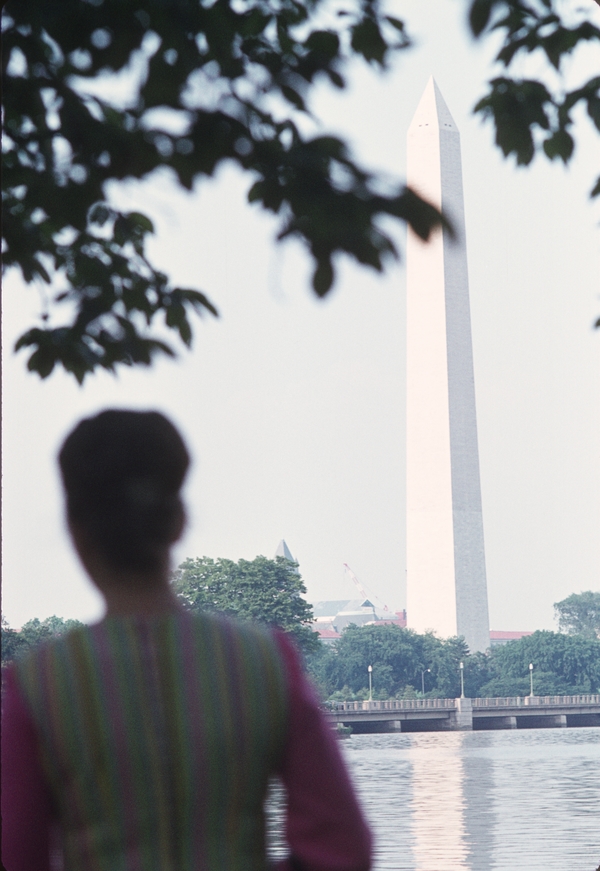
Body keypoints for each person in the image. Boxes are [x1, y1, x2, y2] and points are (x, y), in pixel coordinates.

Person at [1, 409, 372, 871]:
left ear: (75, 533)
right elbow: (343, 849)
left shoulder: (38, 685)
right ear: (178, 521)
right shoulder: (264, 664)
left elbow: (17, 854)